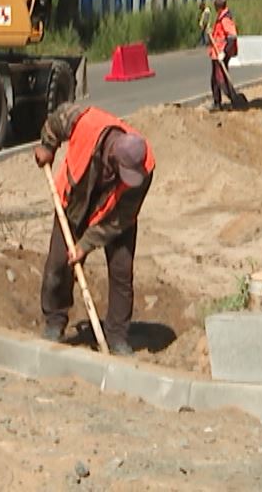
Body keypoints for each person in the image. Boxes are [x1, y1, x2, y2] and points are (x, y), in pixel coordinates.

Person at [34, 103, 155, 356]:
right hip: (75, 202)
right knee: (58, 265)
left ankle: (117, 336)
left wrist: (85, 245)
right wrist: (47, 147)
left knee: (122, 272)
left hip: (115, 213)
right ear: (112, 159)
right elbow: (57, 119)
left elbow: (119, 221)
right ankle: (55, 320)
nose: (129, 178)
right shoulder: (86, 123)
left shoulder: (144, 168)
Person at [207, 0, 248, 111]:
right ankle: (217, 103)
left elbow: (232, 36)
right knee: (215, 79)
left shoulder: (225, 19)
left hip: (221, 53)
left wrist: (224, 52)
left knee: (221, 79)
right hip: (216, 53)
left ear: (217, 6)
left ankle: (234, 98)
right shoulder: (221, 16)